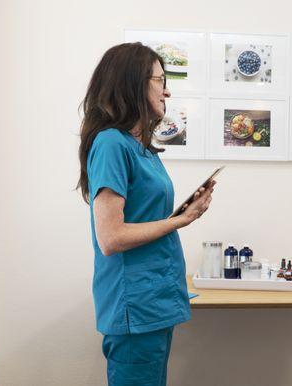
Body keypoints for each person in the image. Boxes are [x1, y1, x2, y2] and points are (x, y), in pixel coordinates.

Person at [77, 42, 214, 386]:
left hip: (153, 302)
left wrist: (185, 212)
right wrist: (179, 220)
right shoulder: (111, 144)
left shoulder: (141, 148)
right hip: (135, 306)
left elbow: (144, 215)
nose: (167, 90)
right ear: (132, 83)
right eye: (159, 80)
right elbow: (111, 238)